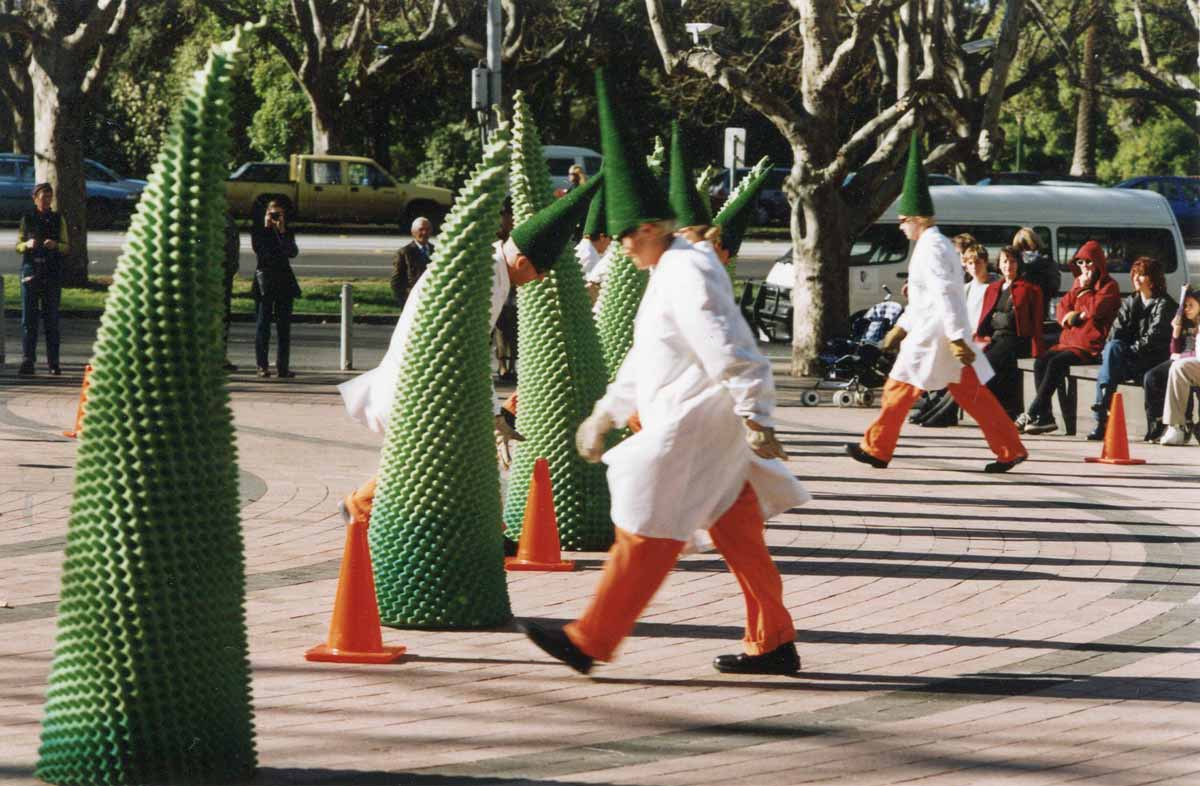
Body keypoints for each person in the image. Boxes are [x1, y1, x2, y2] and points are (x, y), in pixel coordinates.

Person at [522, 69, 809, 678]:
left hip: (694, 428)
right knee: (740, 539)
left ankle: (590, 640)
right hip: (705, 428)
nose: (620, 247)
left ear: (651, 228)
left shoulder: (684, 272)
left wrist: (756, 415)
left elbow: (733, 347)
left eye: (625, 237)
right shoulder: (668, 271)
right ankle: (774, 640)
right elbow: (645, 359)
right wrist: (604, 411)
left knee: (646, 531)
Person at [338, 175, 604, 525]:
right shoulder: (487, 277)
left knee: (434, 459)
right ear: (523, 262)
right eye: (541, 273)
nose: (539, 281)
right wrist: (494, 415)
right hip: (421, 380)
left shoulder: (490, 266)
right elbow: (469, 350)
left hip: (425, 378)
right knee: (439, 458)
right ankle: (365, 507)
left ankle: (477, 526)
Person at [845, 134, 1027, 473]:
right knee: (972, 396)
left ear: (917, 218)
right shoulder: (931, 245)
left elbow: (946, 293)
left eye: (903, 219)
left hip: (936, 337)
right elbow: (928, 299)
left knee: (898, 389)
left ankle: (877, 448)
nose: (900, 225)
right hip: (939, 335)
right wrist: (897, 332)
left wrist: (958, 337)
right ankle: (1010, 448)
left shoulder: (933, 247)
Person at [1017, 240, 1120, 435]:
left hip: (1090, 345)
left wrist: (1084, 294)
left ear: (1098, 263)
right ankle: (1046, 417)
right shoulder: (1077, 284)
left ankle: (1031, 413)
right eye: (1080, 263)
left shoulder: (1109, 286)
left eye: (1089, 262)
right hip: (1069, 341)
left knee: (1056, 364)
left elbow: (1095, 310)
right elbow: (1063, 308)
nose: (1085, 267)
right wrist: (1073, 312)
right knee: (1041, 362)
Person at [1085, 257, 1174, 440]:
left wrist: (1128, 351)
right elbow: (1116, 331)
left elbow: (1154, 339)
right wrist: (1118, 351)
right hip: (1130, 359)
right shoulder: (1131, 301)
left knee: (1112, 356)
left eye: (1141, 275)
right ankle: (1101, 418)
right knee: (1113, 348)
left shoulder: (1164, 304)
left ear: (1153, 279)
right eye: (1134, 274)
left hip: (1152, 359)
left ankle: (1101, 416)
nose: (1135, 278)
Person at [974, 246, 1046, 419]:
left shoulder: (1030, 289)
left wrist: (1037, 349)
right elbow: (988, 319)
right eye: (1005, 261)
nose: (1009, 265)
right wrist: (1000, 320)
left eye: (1013, 261)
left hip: (1016, 339)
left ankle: (999, 412)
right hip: (994, 339)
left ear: (1019, 264)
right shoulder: (993, 288)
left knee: (986, 364)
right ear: (999, 265)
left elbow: (1031, 322)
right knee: (972, 364)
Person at [15, 182, 69, 376]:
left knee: (51, 319)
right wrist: (26, 244)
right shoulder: (27, 218)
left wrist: (56, 245)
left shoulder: (57, 218)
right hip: (30, 270)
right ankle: (28, 360)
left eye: (49, 197)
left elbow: (66, 246)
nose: (46, 200)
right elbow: (18, 245)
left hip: (52, 272)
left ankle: (53, 363)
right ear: (34, 198)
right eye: (42, 197)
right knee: (28, 319)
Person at [1143, 286, 1200, 445]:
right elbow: (1174, 351)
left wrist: (1182, 356)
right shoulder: (1184, 322)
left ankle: (1185, 424)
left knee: (1179, 367)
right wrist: (1176, 331)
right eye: (1186, 305)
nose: (1187, 309)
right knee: (1154, 375)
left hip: (1189, 361)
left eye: (1191, 305)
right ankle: (1168, 425)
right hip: (1185, 361)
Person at [250, 199, 300, 378]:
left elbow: (292, 252)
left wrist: (282, 231)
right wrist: (266, 227)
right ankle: (262, 365)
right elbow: (261, 251)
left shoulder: (286, 231)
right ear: (265, 214)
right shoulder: (258, 231)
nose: (275, 218)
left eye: (279, 214)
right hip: (265, 281)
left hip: (283, 280)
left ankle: (283, 366)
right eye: (272, 214)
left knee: (284, 327)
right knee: (263, 325)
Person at [492, 199, 519, 381]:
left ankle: (512, 365)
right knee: (501, 330)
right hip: (502, 286)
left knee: (515, 330)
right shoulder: (499, 236)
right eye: (506, 215)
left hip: (516, 288)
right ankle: (502, 365)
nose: (509, 219)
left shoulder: (517, 235)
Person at [391, 217, 434, 308]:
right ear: (413, 232)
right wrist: (405, 304)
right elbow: (396, 283)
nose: (424, 233)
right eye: (421, 229)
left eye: (427, 229)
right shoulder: (404, 253)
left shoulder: (437, 251)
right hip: (413, 302)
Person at [1012, 226, 1058, 309]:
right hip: (1039, 307)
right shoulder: (1048, 263)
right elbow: (1054, 289)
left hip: (1023, 308)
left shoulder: (1016, 263)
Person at [222, 211, 241, 371]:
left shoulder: (227, 217)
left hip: (225, 274)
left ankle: (221, 355)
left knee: (223, 316)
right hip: (213, 274)